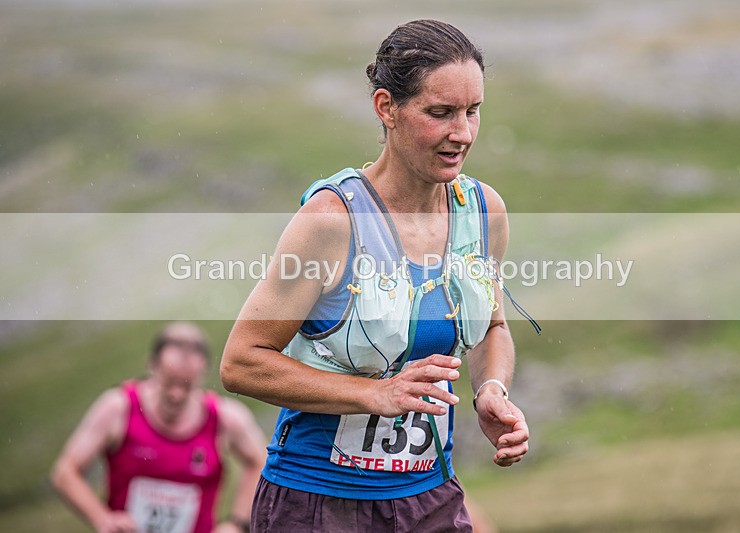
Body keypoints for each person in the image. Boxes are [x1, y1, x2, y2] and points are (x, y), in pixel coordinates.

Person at [221, 19, 533, 533]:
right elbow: (241, 363)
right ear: (386, 108)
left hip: (428, 497)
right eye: (440, 113)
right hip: (315, 501)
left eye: (472, 111)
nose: (463, 133)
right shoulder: (331, 221)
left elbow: (492, 327)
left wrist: (491, 390)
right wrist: (374, 394)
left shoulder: (483, 211)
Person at [51, 322, 267, 533]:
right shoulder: (118, 408)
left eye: (186, 385)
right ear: (152, 365)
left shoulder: (225, 418)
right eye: (170, 382)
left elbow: (261, 462)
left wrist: (236, 524)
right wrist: (102, 518)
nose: (176, 395)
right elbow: (65, 472)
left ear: (203, 374)